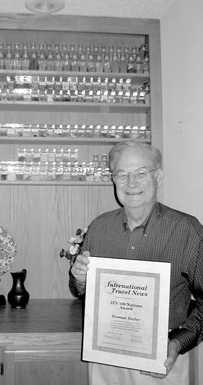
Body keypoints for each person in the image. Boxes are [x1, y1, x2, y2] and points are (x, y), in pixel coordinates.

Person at [69, 141, 203, 385]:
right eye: (122, 174)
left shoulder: (187, 231)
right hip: (105, 356)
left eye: (141, 173)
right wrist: (79, 279)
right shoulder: (99, 228)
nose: (131, 183)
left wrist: (177, 343)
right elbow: (83, 291)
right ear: (113, 180)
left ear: (158, 177)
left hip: (161, 360)